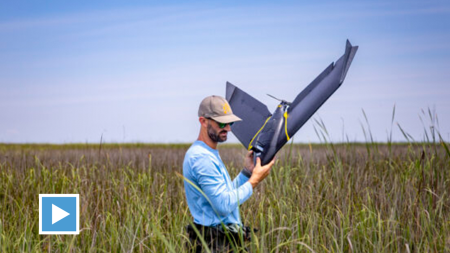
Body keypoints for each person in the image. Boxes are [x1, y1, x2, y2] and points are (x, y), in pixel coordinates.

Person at [183, 95, 275, 252]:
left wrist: (247, 172)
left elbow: (223, 195)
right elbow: (223, 205)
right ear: (203, 121)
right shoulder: (201, 158)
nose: (228, 128)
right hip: (213, 244)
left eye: (229, 122)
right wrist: (254, 181)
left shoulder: (208, 153)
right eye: (222, 123)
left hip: (221, 241)